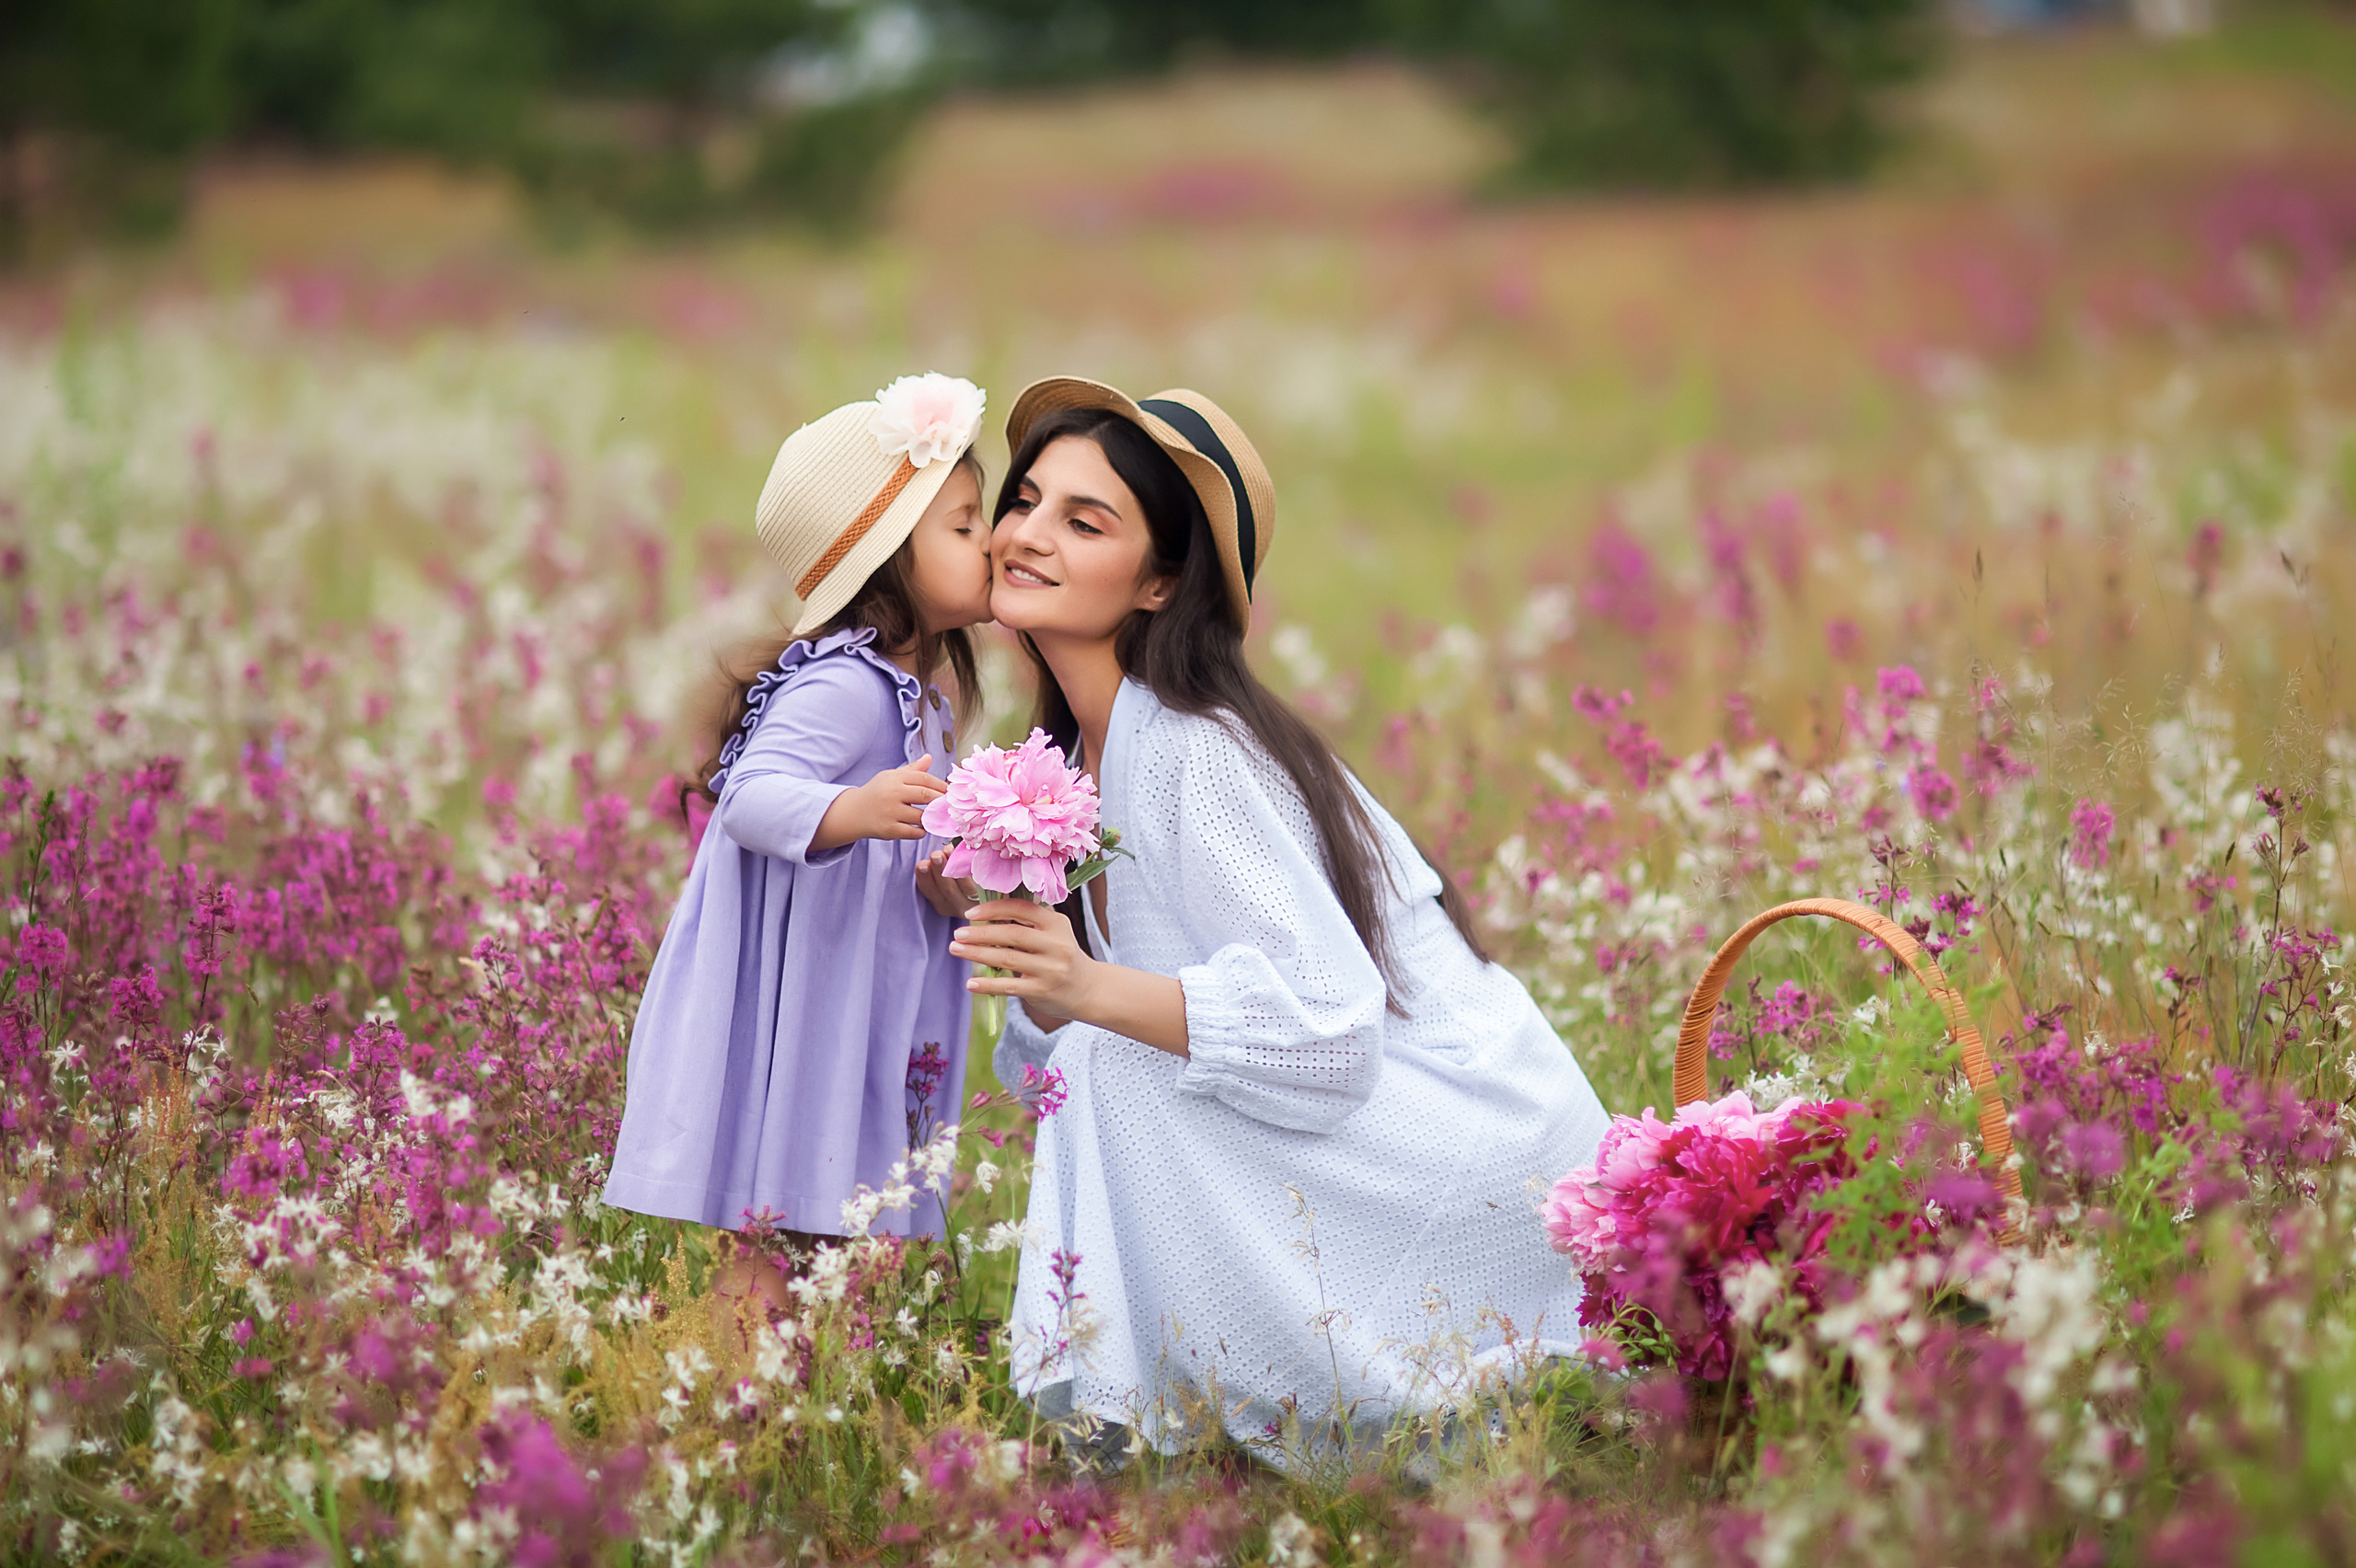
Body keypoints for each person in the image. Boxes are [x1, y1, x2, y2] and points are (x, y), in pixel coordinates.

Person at [947, 377, 1612, 1459]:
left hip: (1475, 1146)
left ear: (1161, 581)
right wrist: (1009, 923)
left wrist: (1088, 988)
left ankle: (1142, 1437)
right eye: (1022, 502)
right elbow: (1044, 1082)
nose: (1027, 535)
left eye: (1085, 520)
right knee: (1109, 1056)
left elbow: (1333, 1034)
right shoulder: (1066, 766)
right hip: (1374, 1121)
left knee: (1120, 1056)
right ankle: (1167, 1424)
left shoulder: (1196, 751)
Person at [604, 373, 993, 1318]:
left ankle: (783, 1406)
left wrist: (945, 882)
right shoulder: (843, 686)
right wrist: (855, 809)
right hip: (808, 1007)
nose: (996, 543)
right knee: (777, 1231)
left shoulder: (926, 701)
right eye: (966, 524)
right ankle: (724, 1405)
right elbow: (752, 797)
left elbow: (905, 845)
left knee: (837, 1231)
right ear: (886, 555)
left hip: (867, 996)